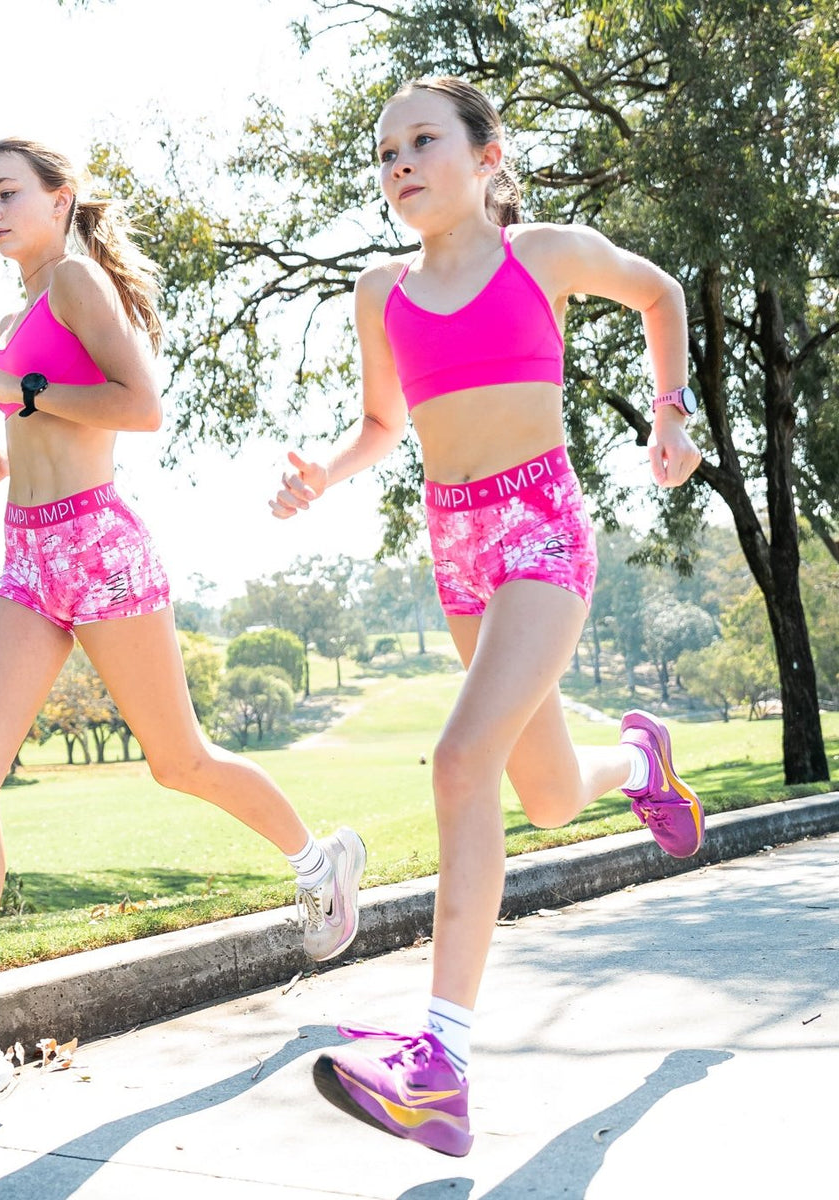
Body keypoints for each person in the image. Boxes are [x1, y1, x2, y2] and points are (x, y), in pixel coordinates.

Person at [0, 138, 365, 1106]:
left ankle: (319, 861)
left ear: (59, 198)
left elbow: (143, 407)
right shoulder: (14, 315)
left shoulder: (76, 284)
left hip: (99, 547)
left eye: (7, 193)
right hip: (28, 557)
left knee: (181, 762)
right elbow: (52, 426)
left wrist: (18, 391)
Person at [269, 78, 704, 1157]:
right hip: (456, 542)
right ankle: (640, 764)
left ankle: (441, 1066)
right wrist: (324, 472)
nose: (401, 163)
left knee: (461, 761)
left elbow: (661, 295)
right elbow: (382, 423)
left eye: (423, 141)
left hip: (543, 529)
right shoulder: (381, 293)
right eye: (384, 153)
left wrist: (670, 414)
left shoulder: (544, 256)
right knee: (549, 794)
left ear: (486, 155)